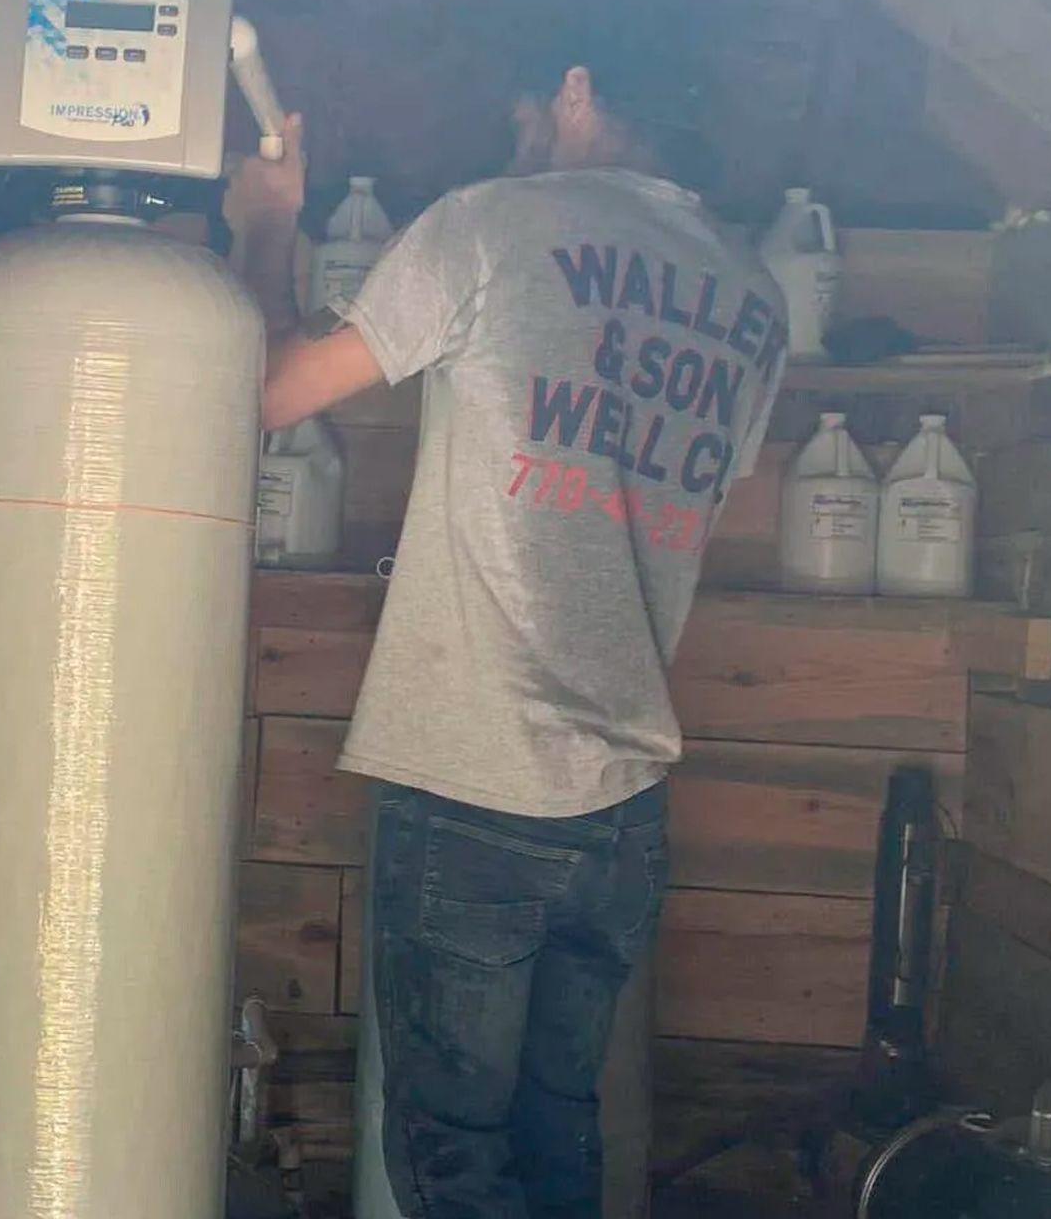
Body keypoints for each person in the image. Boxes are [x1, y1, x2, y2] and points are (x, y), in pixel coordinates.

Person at [222, 66, 788, 1218]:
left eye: (523, 114)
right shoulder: (752, 293)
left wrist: (268, 221)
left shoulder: (494, 223)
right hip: (621, 798)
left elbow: (265, 391)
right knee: (556, 1133)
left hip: (480, 779)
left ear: (576, 88)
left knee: (452, 1162)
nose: (518, 136)